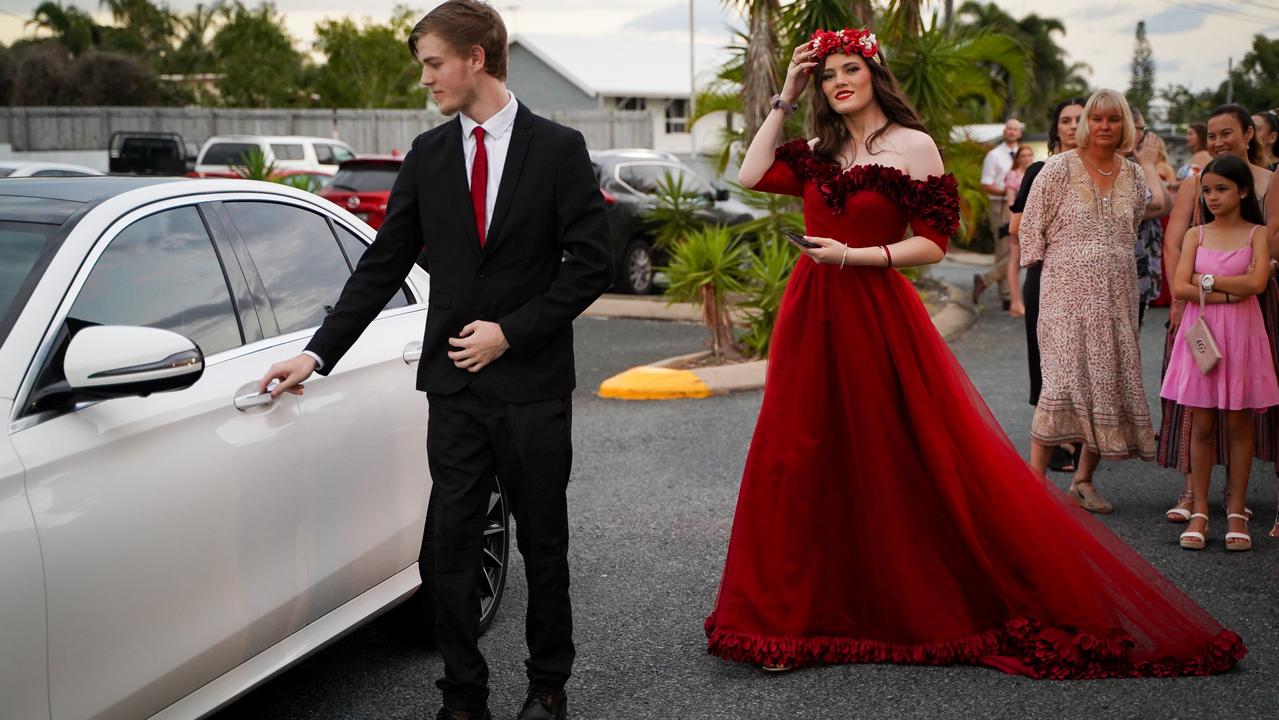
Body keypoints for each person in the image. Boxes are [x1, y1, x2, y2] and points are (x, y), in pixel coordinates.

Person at [704, 29, 1244, 679]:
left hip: (874, 311)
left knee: (893, 453)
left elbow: (931, 242)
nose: (836, 81)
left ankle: (897, 598)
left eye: (850, 69)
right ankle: (787, 617)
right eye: (825, 75)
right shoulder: (820, 147)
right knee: (797, 455)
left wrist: (857, 255)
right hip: (808, 315)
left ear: (875, 73)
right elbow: (751, 173)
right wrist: (783, 96)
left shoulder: (914, 146)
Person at [257, 3, 612, 719]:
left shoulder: (557, 148)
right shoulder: (427, 156)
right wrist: (317, 353)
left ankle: (547, 685)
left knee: (542, 541)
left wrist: (511, 331)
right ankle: (462, 694)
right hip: (453, 386)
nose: (425, 80)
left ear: (476, 57)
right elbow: (383, 264)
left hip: (532, 384)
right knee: (446, 544)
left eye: (433, 63)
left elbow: (591, 264)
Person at [1018, 90, 1165, 513]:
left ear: (1125, 126)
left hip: (1118, 294)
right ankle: (1033, 483)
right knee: (1061, 381)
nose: (1104, 126)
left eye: (1113, 120)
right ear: (1086, 124)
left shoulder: (1134, 175)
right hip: (1065, 295)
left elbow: (1132, 224)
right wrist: (1052, 274)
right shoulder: (1058, 168)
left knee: (1108, 380)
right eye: (1097, 119)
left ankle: (1083, 480)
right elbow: (1031, 226)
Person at [1158, 105, 1277, 535]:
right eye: (1207, 190)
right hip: (1204, 332)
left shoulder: (1256, 233)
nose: (1211, 198)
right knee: (1202, 422)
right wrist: (1228, 286)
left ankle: (1236, 509)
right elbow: (1180, 284)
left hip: (1244, 333)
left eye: (1221, 190)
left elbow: (1258, 283)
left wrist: (1207, 284)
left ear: (1243, 191)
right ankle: (1201, 508)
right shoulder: (1196, 233)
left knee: (1240, 421)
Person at [1007, 99, 1085, 460]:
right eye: (1065, 121)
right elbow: (1016, 227)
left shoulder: (1106, 171)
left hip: (1089, 279)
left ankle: (1084, 433)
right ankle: (1052, 441)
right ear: (1056, 129)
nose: (1072, 126)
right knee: (1047, 359)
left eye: (1080, 120)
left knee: (1084, 358)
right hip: (1047, 274)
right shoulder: (1039, 170)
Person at [972, 118, 1023, 309]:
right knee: (1003, 249)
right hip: (1000, 206)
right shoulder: (993, 155)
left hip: (1020, 207)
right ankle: (1007, 297)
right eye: (1009, 129)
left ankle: (986, 280)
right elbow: (986, 184)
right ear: (1004, 131)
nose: (1011, 132)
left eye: (1015, 130)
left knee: (1019, 250)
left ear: (1019, 133)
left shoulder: (1023, 154)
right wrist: (1008, 190)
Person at [1172, 123, 1212, 192]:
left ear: (1200, 136)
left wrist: (1168, 185)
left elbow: (1192, 180)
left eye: (1190, 134)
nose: (1186, 137)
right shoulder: (1198, 155)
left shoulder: (1201, 155)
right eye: (1187, 134)